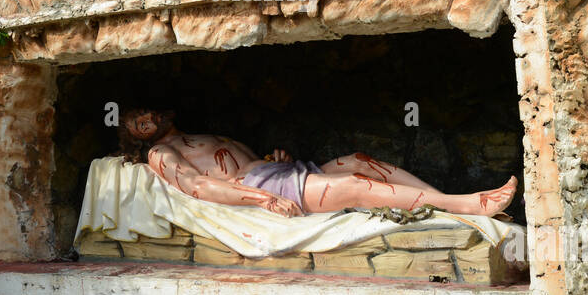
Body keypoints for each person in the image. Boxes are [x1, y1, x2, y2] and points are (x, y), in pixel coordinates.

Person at [119, 109, 518, 221]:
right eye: (135, 124)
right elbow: (199, 188)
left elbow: (245, 161)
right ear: (134, 138)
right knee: (358, 185)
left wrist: (276, 160)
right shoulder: (159, 154)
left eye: (143, 112)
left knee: (362, 161)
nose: (144, 120)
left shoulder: (197, 134)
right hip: (268, 188)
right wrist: (260, 199)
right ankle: (467, 205)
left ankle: (444, 200)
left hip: (278, 174)